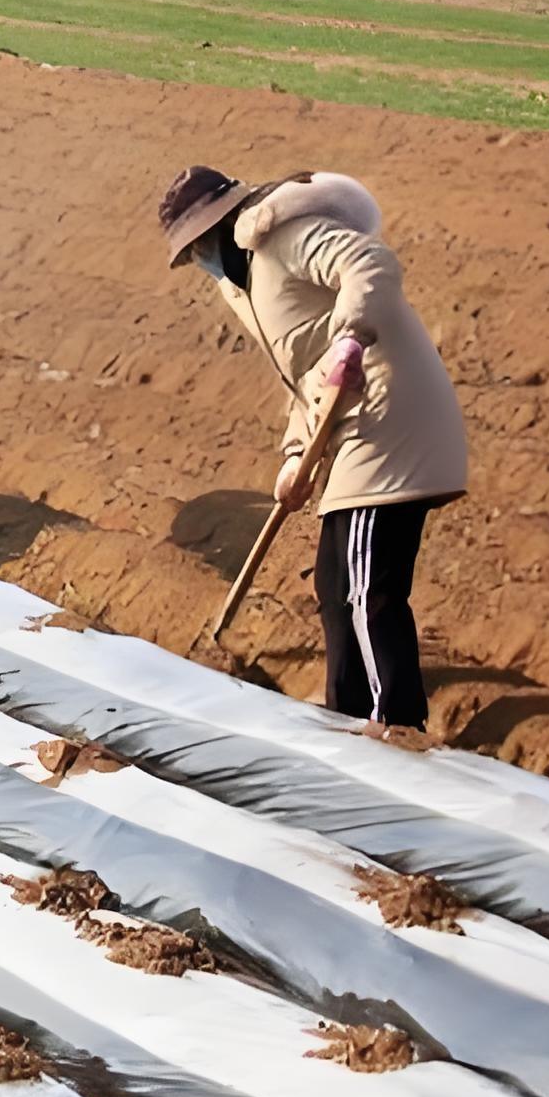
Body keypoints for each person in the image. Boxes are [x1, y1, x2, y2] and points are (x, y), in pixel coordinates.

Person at [158, 166, 468, 732]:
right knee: (333, 581)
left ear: (223, 226)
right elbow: (302, 375)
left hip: (388, 412)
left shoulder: (284, 238)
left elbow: (371, 263)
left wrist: (352, 333)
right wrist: (296, 454)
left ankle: (393, 729)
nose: (200, 258)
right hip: (351, 424)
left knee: (366, 585)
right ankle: (345, 721)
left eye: (201, 244)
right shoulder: (243, 287)